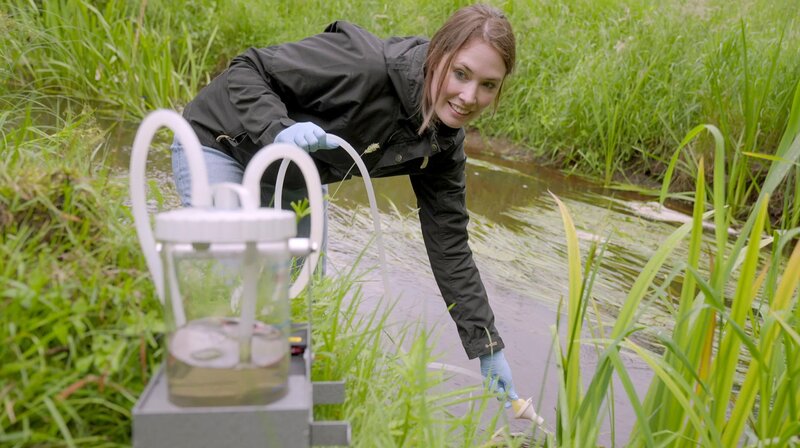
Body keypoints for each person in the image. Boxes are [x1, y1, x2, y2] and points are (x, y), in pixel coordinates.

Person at [171, 4, 520, 407]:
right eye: (461, 73)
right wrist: (278, 129)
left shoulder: (442, 144)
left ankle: (279, 408)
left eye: (488, 85)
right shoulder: (361, 65)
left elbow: (450, 246)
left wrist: (487, 345)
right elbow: (248, 68)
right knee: (228, 274)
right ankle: (208, 400)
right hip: (220, 144)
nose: (469, 97)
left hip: (295, 178)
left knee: (298, 302)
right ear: (437, 54)